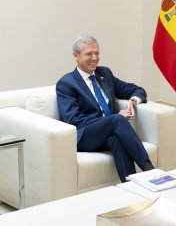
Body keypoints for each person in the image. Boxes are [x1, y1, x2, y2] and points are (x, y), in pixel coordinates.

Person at [56, 35, 155, 182]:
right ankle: (150, 170)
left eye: (97, 53)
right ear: (75, 56)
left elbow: (137, 90)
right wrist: (109, 120)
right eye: (89, 54)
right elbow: (73, 120)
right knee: (117, 119)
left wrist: (133, 102)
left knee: (116, 139)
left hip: (109, 132)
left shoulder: (105, 74)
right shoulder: (66, 83)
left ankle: (132, 187)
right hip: (84, 136)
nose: (94, 58)